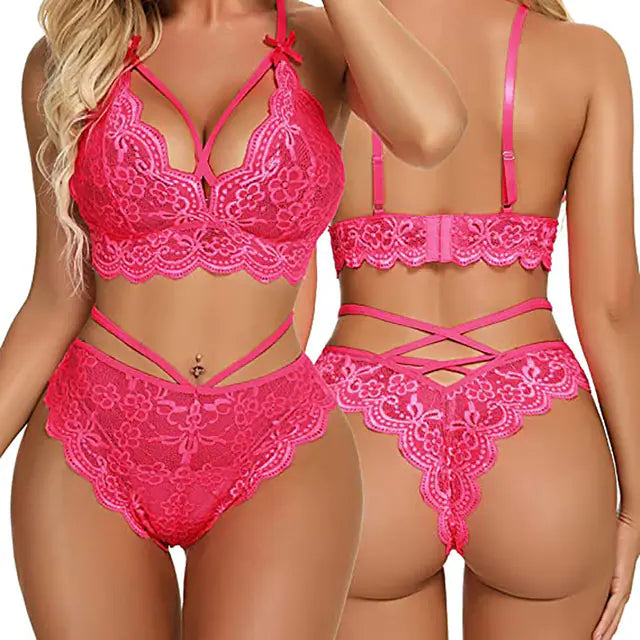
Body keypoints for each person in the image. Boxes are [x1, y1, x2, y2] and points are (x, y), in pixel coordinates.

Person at [0, 0, 466, 636]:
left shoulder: (326, 42)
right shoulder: (75, 55)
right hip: (92, 438)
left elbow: (433, 132)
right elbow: (57, 296)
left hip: (276, 443)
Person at [314, 1, 639, 638]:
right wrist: (637, 499)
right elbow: (612, 306)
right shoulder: (585, 58)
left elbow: (281, 310)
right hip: (541, 436)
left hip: (361, 434)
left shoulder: (312, 50)